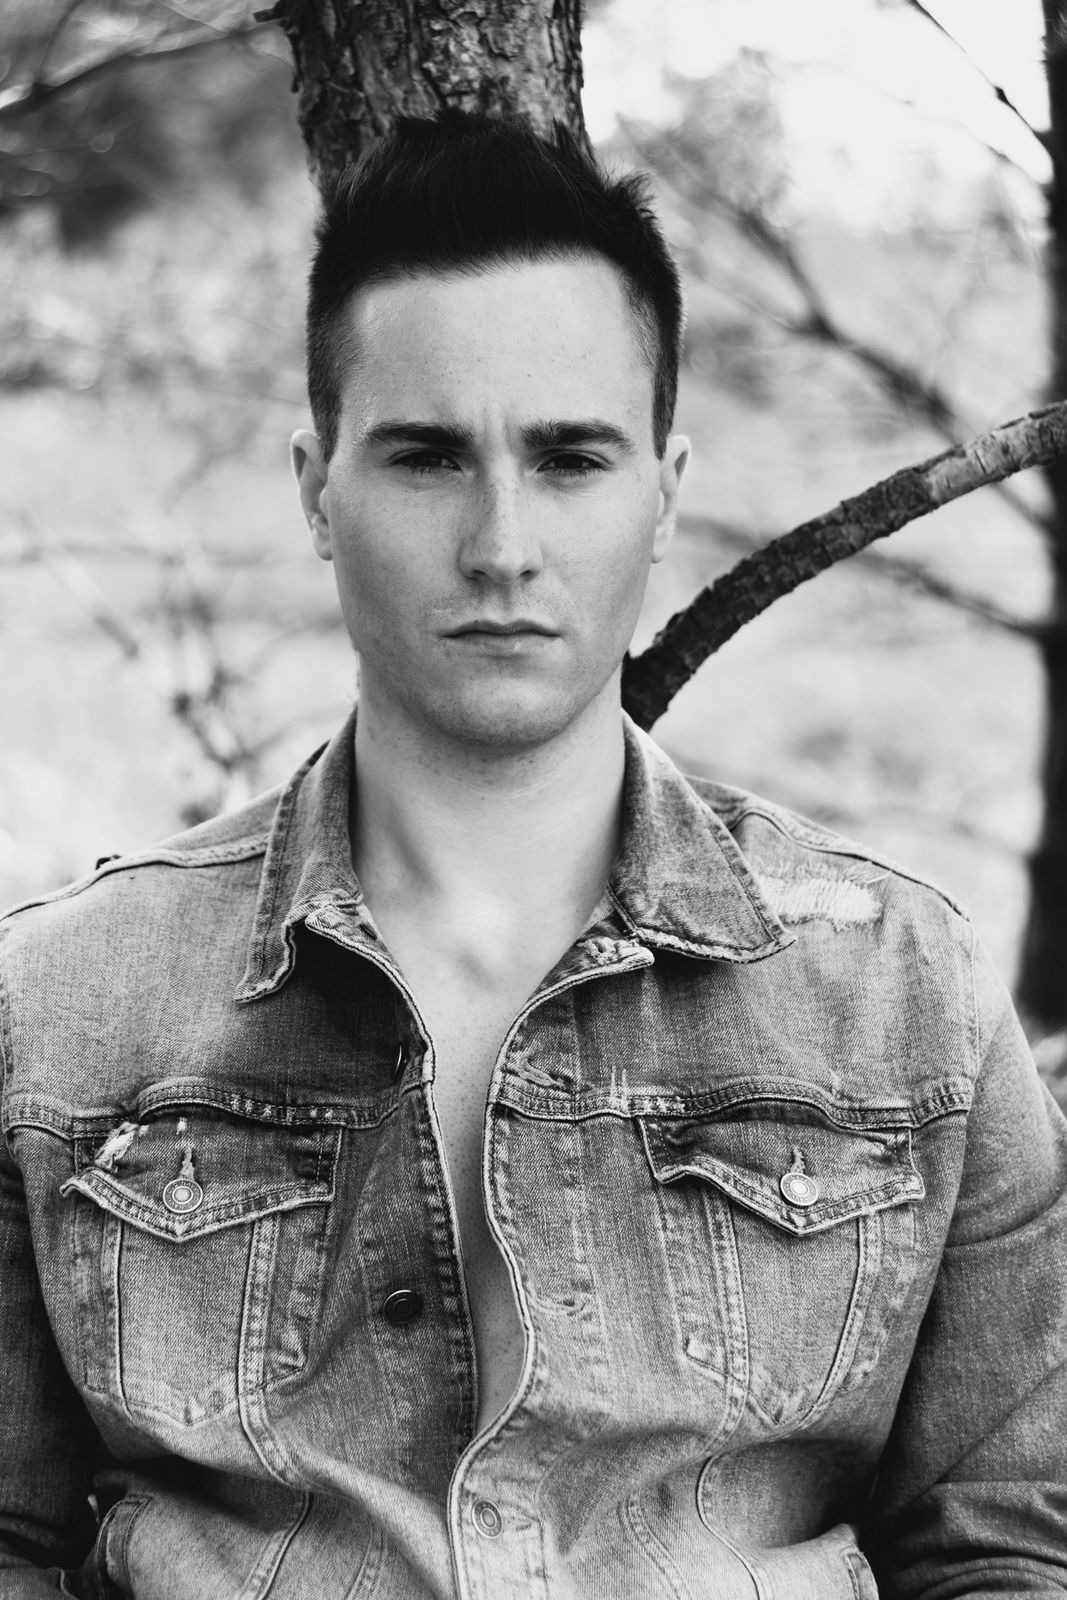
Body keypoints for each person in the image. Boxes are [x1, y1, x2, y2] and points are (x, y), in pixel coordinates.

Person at [1, 109, 1065, 1600]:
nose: (501, 543)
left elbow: (1009, 1553)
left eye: (569, 458)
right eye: (428, 457)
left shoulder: (906, 1000)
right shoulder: (59, 1010)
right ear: (317, 490)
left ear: (665, 490)